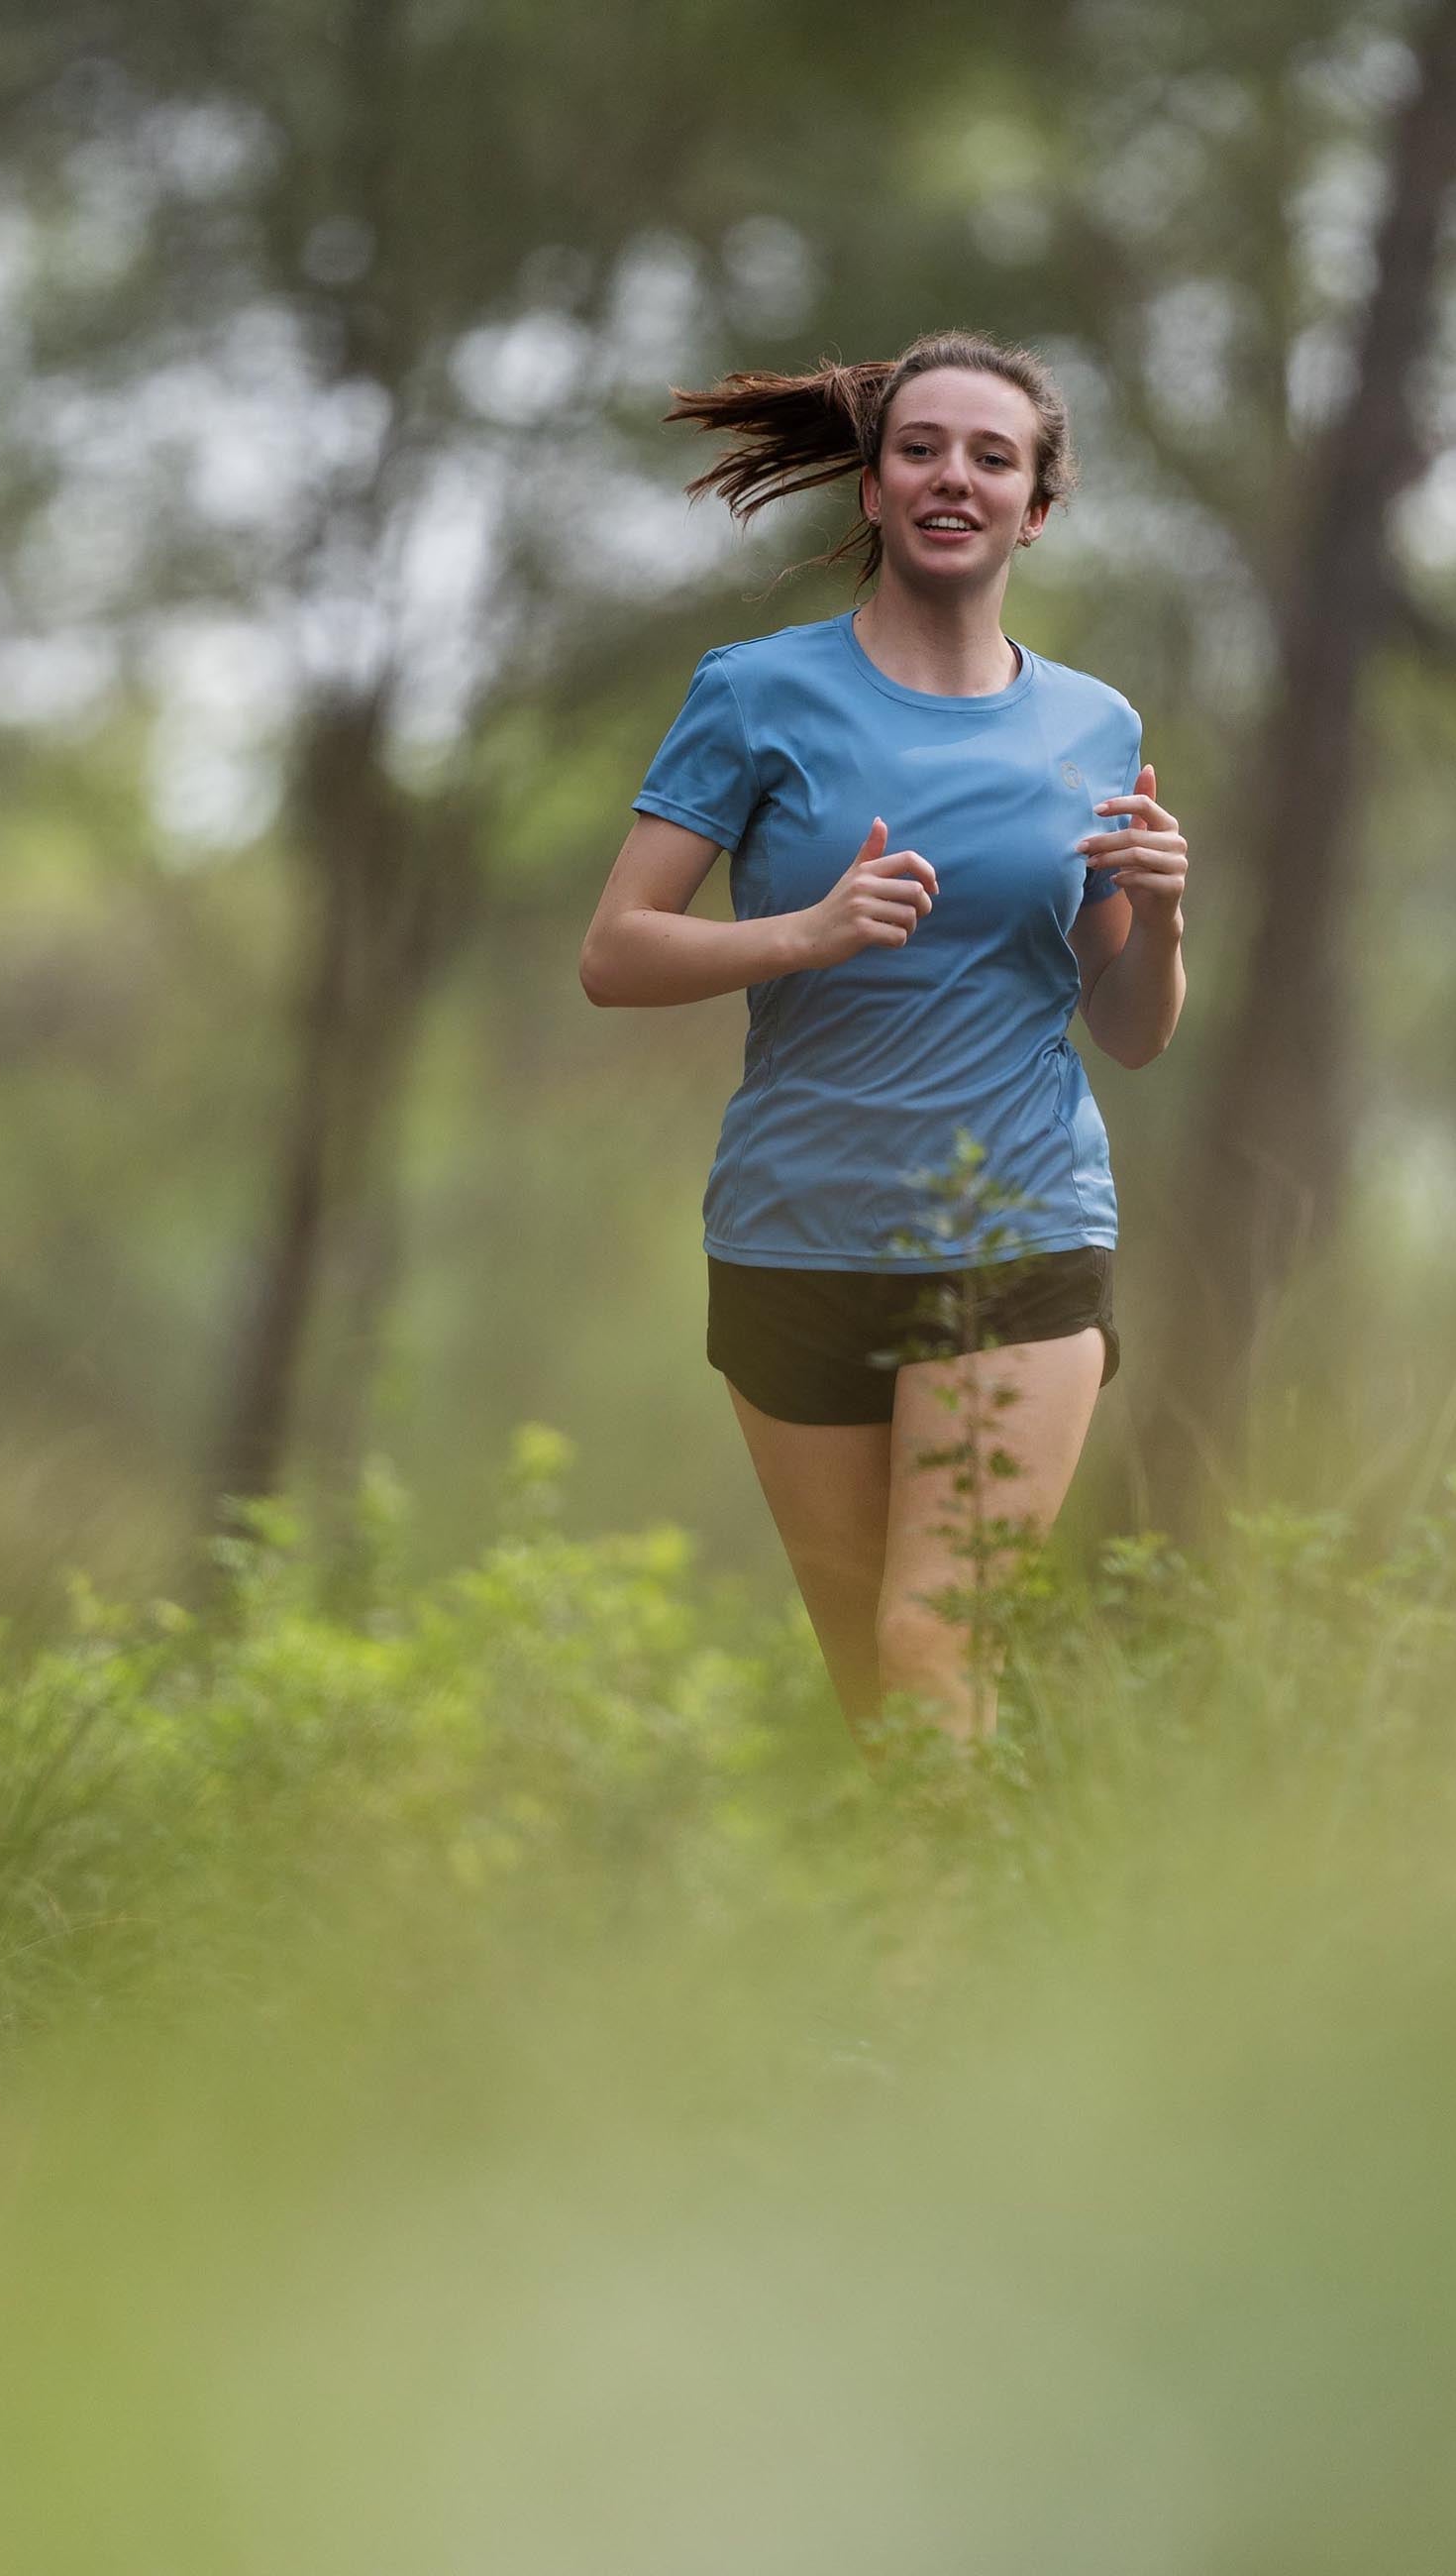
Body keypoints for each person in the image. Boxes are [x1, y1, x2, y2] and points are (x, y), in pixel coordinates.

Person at [579, 329, 1189, 1756]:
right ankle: (946, 1952)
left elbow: (1134, 1033)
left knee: (936, 1639)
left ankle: (954, 1979)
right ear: (872, 488)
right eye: (921, 448)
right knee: (878, 1683)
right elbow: (615, 953)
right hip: (797, 1235)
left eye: (994, 456)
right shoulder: (755, 694)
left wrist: (1161, 918)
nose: (952, 477)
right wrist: (806, 931)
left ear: (1035, 509)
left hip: (1020, 1224)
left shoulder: (1095, 726)